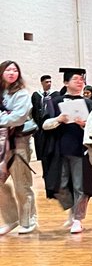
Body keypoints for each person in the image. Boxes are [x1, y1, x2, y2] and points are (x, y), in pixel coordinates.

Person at [38, 67, 92, 234]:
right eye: (76, 79)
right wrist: (59, 119)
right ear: (66, 82)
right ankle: (72, 212)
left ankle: (78, 219)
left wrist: (85, 125)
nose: (80, 82)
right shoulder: (54, 102)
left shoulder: (89, 104)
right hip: (59, 149)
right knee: (60, 184)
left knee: (81, 185)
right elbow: (44, 125)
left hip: (80, 150)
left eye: (82, 79)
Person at [0, 61, 38, 235]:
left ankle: (28, 220)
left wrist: (2, 119)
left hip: (18, 144)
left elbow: (18, 117)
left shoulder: (22, 94)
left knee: (22, 184)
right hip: (1, 145)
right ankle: (12, 219)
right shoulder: (1, 93)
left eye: (15, 70)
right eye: (8, 69)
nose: (12, 72)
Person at [30, 74, 53, 162]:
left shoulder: (54, 95)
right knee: (40, 149)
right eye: (47, 82)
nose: (49, 83)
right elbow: (33, 111)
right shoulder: (36, 95)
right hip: (39, 127)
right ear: (42, 83)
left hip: (50, 126)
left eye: (50, 82)